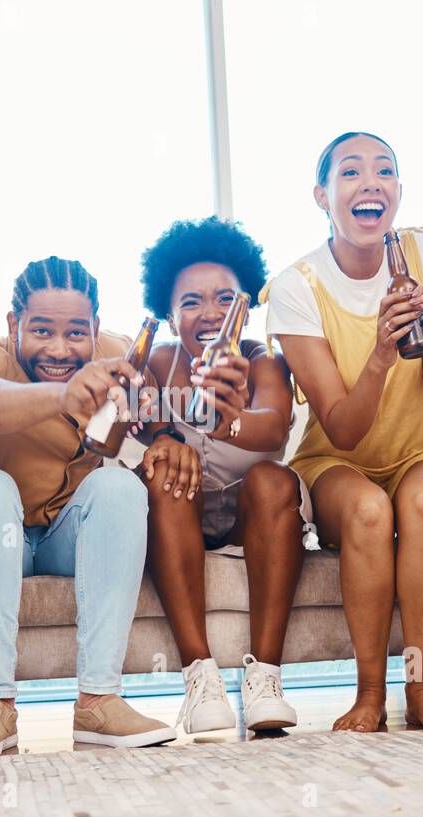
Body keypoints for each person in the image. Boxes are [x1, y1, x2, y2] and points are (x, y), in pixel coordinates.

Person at [267, 133, 423, 734]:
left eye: (385, 171)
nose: (371, 183)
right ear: (322, 195)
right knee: (366, 510)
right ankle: (369, 694)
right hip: (337, 460)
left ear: (399, 191)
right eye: (351, 172)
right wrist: (382, 355)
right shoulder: (296, 287)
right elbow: (343, 430)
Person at [0, 256, 177, 756]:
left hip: (66, 537)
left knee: (119, 487)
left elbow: (154, 418)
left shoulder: (118, 355)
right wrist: (62, 395)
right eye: (42, 330)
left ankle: (99, 701)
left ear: (95, 328)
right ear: (13, 325)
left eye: (76, 333)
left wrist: (163, 436)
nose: (60, 349)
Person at [133, 217, 309, 734]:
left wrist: (224, 419)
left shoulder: (265, 362)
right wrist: (167, 437)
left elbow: (271, 426)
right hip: (178, 511)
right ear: (170, 318)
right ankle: (200, 680)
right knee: (164, 470)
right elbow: (142, 421)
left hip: (248, 513)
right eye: (191, 302)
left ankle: (265, 679)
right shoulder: (157, 361)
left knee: (274, 479)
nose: (210, 313)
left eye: (225, 299)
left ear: (246, 308)